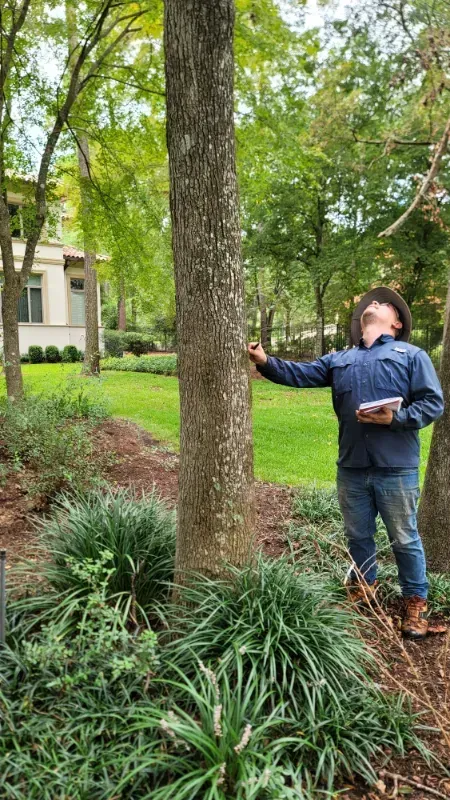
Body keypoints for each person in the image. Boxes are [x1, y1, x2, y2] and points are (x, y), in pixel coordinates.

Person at [249, 287, 444, 640]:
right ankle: (363, 590)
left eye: (384, 304)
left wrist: (394, 419)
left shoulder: (412, 355)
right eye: (370, 302)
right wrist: (264, 360)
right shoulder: (339, 359)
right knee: (358, 535)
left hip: (396, 467)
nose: (374, 302)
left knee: (404, 538)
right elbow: (299, 374)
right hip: (351, 466)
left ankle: (415, 604)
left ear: (396, 323)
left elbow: (433, 404)